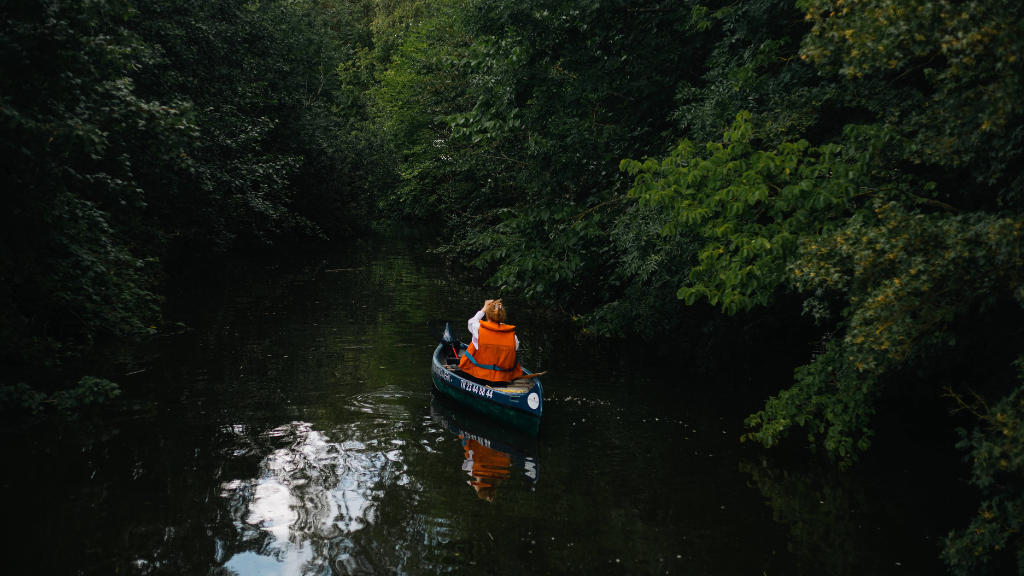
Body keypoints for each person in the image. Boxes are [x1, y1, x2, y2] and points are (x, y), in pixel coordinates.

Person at [458, 299, 524, 382]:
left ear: (487, 316)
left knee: (474, 344)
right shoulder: (513, 337)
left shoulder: (478, 329)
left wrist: (484, 308)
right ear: (502, 318)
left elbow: (471, 322)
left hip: (479, 375)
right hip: (503, 378)